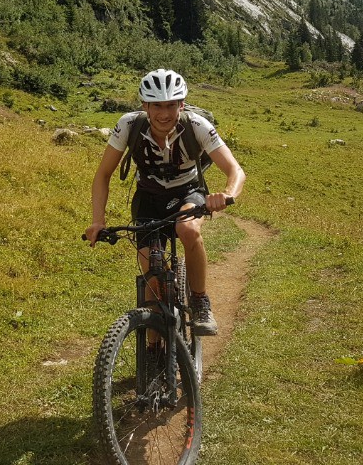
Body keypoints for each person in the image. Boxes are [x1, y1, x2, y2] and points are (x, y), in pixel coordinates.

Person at [85, 68, 246, 336]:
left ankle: (200, 300)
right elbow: (103, 175)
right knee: (150, 276)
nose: (164, 113)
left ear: (181, 104)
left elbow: (236, 171)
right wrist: (97, 221)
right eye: (156, 105)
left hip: (188, 193)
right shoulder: (128, 125)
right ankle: (153, 355)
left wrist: (227, 194)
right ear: (144, 105)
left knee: (188, 230)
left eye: (171, 104)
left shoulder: (196, 125)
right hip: (148, 196)